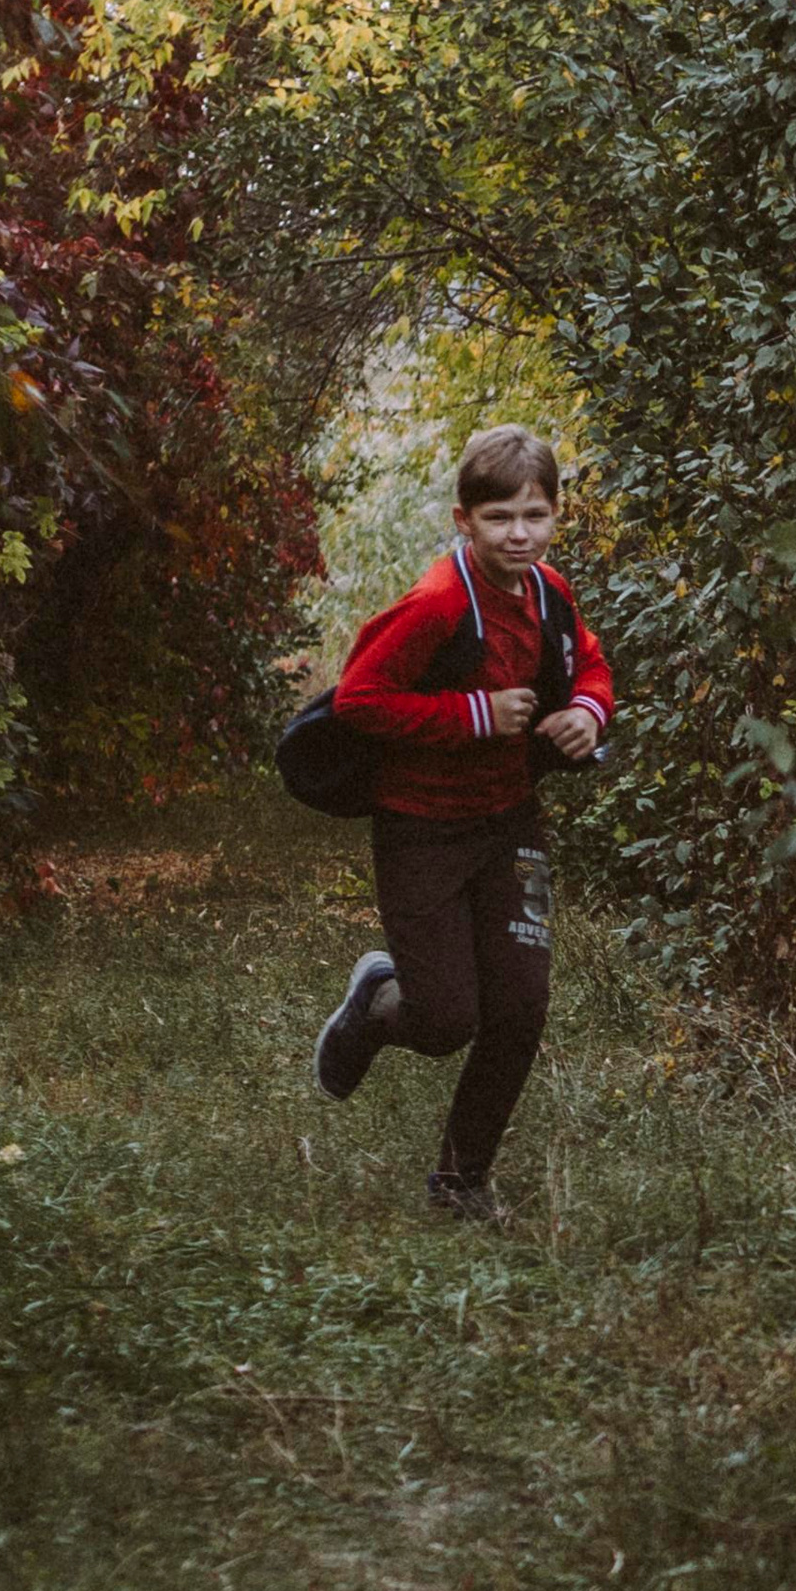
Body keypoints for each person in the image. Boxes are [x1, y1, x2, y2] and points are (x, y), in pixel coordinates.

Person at [309, 425, 615, 1219]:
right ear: (462, 520)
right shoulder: (439, 603)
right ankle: (379, 998)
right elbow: (359, 699)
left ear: (554, 516)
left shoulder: (549, 590)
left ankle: (460, 1180)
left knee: (521, 1004)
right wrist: (474, 714)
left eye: (536, 515)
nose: (520, 534)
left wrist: (588, 710)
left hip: (511, 823)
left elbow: (588, 661)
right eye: (500, 518)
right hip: (422, 828)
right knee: (446, 1019)